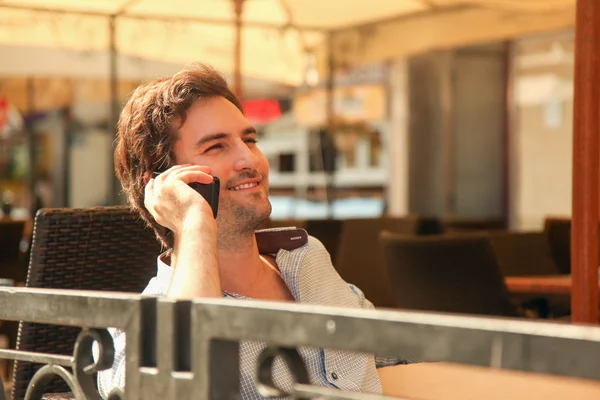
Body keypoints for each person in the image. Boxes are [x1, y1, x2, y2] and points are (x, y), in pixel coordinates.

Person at [98, 63, 412, 399]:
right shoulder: (133, 331)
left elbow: (394, 355)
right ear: (162, 185)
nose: (250, 159)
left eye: (250, 139)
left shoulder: (307, 257)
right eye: (216, 146)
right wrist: (193, 220)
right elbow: (172, 391)